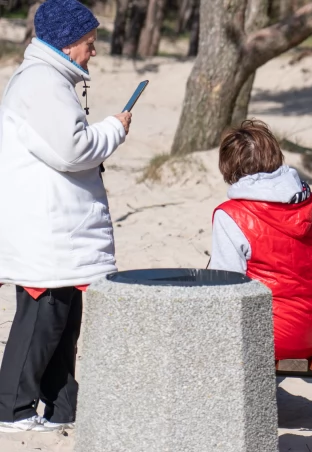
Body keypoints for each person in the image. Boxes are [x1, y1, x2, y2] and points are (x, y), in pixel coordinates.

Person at [0, 0, 131, 433]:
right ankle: (11, 409)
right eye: (90, 43)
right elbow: (72, 150)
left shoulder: (50, 80)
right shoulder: (40, 82)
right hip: (48, 228)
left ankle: (60, 409)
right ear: (69, 42)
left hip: (60, 226)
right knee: (41, 320)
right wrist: (114, 129)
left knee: (62, 321)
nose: (94, 51)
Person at [208, 119, 312, 361]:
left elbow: (224, 285)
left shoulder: (232, 214)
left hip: (267, 335)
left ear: (229, 166)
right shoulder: (309, 204)